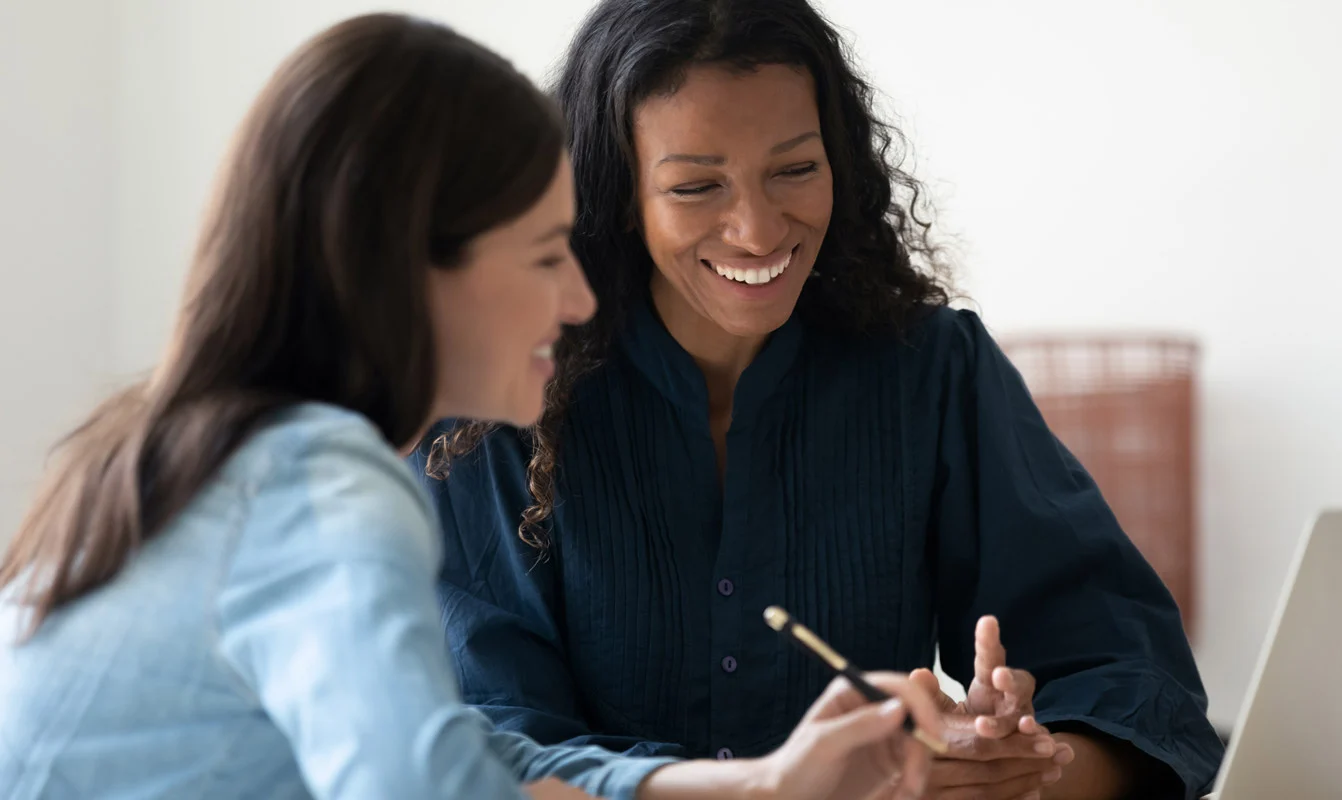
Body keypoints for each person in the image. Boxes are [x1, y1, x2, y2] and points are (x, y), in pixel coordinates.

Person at [0, 13, 942, 800]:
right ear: (410, 273)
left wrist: (769, 784)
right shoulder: (321, 482)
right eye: (543, 255)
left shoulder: (208, 454)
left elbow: (458, 753)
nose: (579, 299)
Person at [414, 0, 1225, 798]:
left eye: (796, 170)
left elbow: (1137, 683)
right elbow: (485, 741)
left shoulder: (933, 371)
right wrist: (764, 788)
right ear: (617, 192)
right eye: (697, 186)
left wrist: (1015, 770)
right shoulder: (500, 401)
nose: (759, 231)